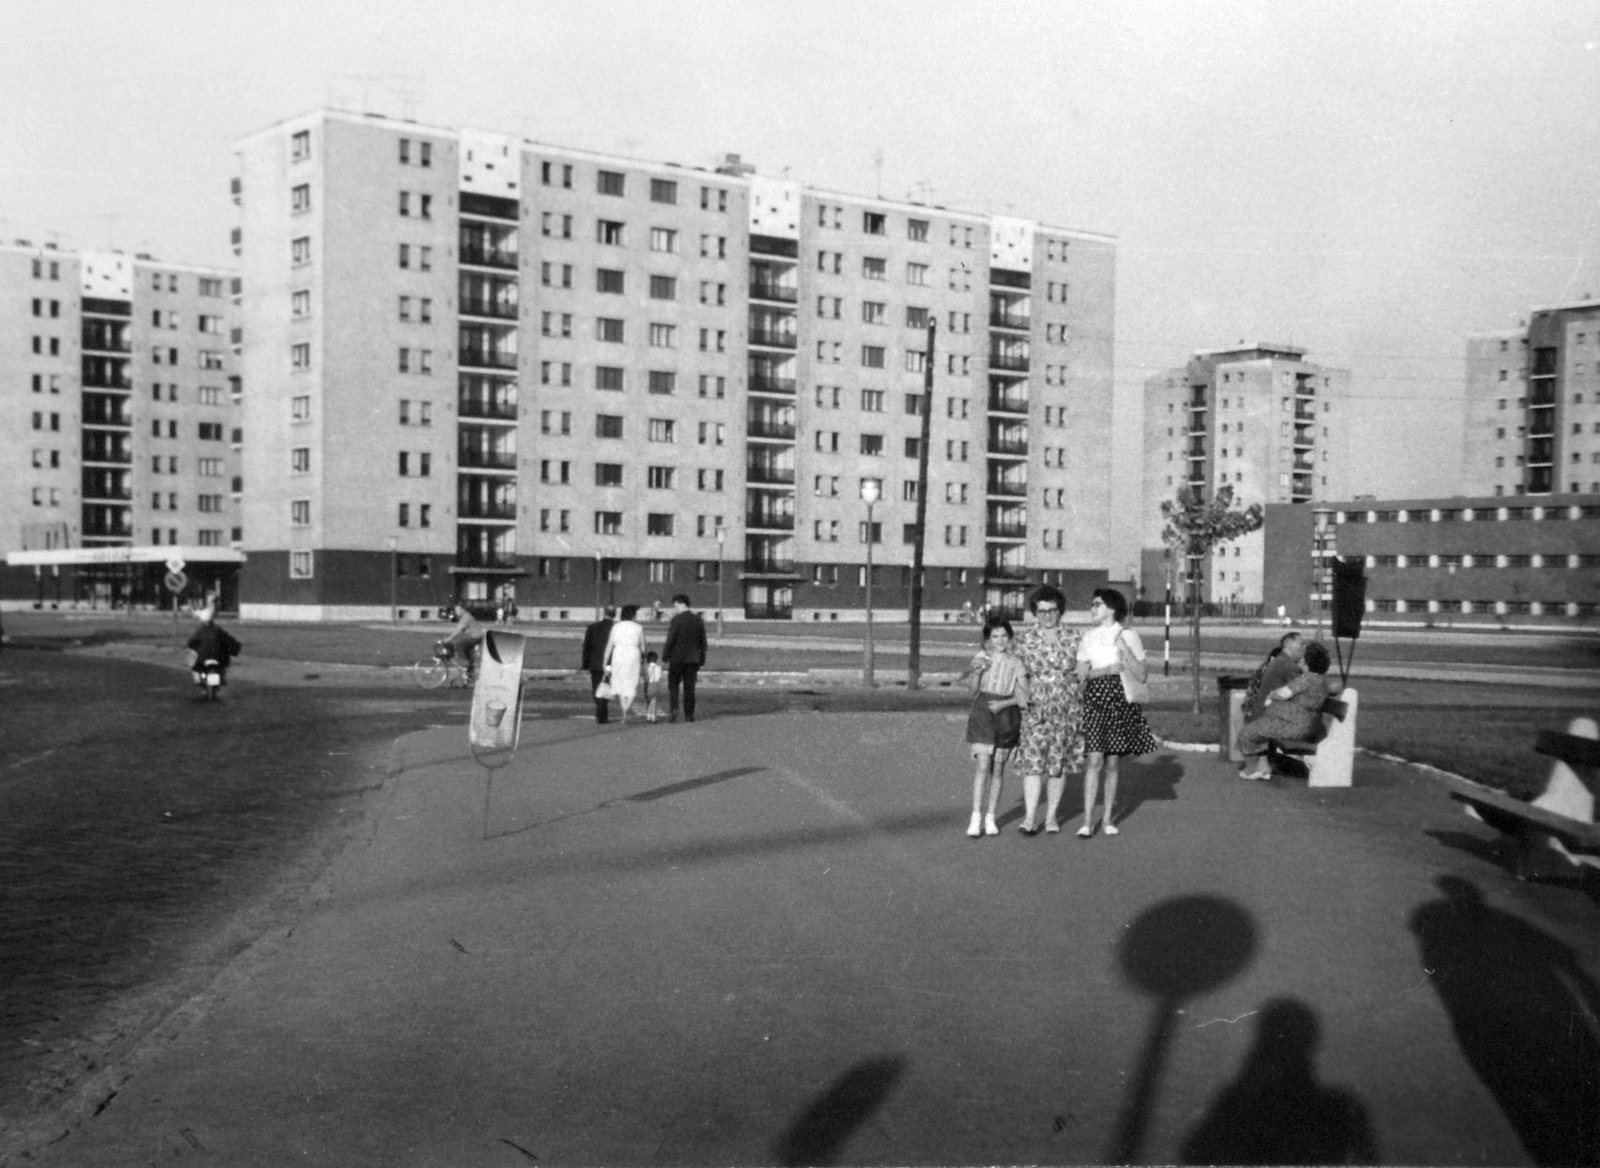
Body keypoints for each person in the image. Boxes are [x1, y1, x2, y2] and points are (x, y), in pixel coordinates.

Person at [1076, 587, 1157, 837]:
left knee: (1112, 762)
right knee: (1094, 759)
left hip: (1120, 699)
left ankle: (1108, 818)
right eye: (1093, 604)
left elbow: (1142, 675)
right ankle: (1088, 821)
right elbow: (1080, 676)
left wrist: (1124, 648)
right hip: (1096, 698)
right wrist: (1106, 670)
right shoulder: (1087, 637)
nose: (1093, 608)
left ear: (1111, 608)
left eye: (1097, 604)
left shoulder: (1129, 635)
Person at [1013, 585, 1085, 835]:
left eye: (1052, 610)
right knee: (1033, 763)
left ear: (1060, 610)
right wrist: (1021, 696)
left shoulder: (1075, 637)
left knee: (1058, 764)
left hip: (1067, 708)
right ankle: (1030, 817)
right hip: (1036, 708)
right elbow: (1016, 674)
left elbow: (1085, 669)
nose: (1046, 615)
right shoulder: (1024, 640)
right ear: (1035, 612)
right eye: (1041, 611)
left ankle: (1052, 817)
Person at [961, 615, 1028, 838]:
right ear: (988, 639)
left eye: (1003, 635)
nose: (999, 640)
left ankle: (991, 816)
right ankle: (976, 817)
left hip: (1006, 713)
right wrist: (978, 671)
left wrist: (1005, 703)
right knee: (982, 765)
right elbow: (971, 692)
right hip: (983, 712)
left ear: (1009, 637)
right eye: (994, 636)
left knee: (997, 769)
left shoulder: (1017, 662)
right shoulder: (982, 657)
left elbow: (1024, 695)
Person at [1237, 641, 1340, 780]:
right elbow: (1331, 690)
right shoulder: (1321, 680)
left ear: (1307, 661)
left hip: (1294, 727)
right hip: (1307, 725)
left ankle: (1253, 769)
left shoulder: (1306, 679)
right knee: (1261, 727)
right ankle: (1263, 767)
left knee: (1248, 733)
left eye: (1303, 657)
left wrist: (1272, 695)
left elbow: (1283, 693)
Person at [661, 593, 708, 722]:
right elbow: (702, 641)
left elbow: (671, 639)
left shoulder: (677, 620)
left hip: (677, 658)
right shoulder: (697, 619)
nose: (675, 609)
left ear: (682, 604)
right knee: (689, 687)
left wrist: (665, 655)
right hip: (693, 659)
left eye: (676, 606)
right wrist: (702, 658)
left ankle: (674, 707)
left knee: (674, 685)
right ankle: (689, 714)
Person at [1243, 632, 1306, 721]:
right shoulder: (1287, 665)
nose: (1304, 648)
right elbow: (1305, 690)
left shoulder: (1279, 661)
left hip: (1262, 714)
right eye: (1301, 644)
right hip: (1272, 718)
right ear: (1289, 644)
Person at [603, 604, 647, 724]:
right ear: (633, 615)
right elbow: (643, 647)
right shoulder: (638, 627)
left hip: (618, 655)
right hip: (633, 654)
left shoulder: (616, 627)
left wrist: (604, 662)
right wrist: (644, 659)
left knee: (620, 683)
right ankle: (627, 708)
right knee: (632, 684)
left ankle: (624, 710)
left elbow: (609, 646)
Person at [186, 604, 242, 689]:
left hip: (203, 658)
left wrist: (192, 646)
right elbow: (228, 640)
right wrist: (235, 648)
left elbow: (191, 642)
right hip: (218, 657)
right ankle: (220, 678)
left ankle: (198, 679)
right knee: (223, 664)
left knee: (192, 662)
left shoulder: (200, 631)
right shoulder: (218, 630)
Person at [581, 607, 616, 724]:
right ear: (614, 615)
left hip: (595, 663)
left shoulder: (592, 628)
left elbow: (587, 647)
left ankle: (600, 711)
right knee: (607, 687)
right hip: (611, 663)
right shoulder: (616, 628)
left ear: (603, 613)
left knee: (596, 687)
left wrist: (585, 665)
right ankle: (602, 712)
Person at [440, 604, 484, 682]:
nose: (456, 612)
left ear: (463, 609)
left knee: (458, 644)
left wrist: (449, 638)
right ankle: (469, 672)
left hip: (475, 637)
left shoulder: (466, 617)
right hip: (475, 636)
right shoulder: (465, 616)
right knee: (466, 650)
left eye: (458, 610)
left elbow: (458, 630)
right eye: (455, 610)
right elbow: (459, 630)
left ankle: (463, 664)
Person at [644, 652, 663, 723]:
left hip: (648, 685)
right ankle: (653, 717)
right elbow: (659, 677)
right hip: (656, 685)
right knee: (654, 702)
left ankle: (648, 716)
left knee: (649, 701)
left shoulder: (646, 667)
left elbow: (645, 677)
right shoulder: (658, 667)